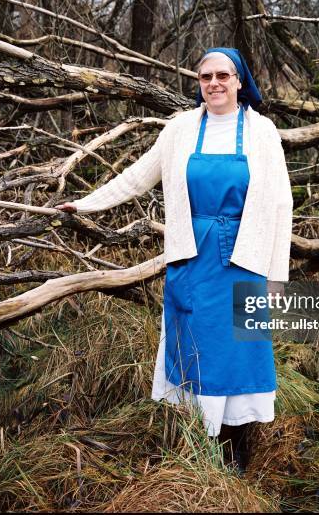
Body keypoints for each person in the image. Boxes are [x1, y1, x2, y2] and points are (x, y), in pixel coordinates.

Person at [55, 47, 293, 475]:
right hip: (193, 257)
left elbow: (281, 206)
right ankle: (197, 445)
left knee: (238, 352)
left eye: (223, 75)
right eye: (206, 77)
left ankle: (234, 451)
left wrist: (277, 278)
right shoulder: (181, 128)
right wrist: (86, 204)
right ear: (198, 83)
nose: (214, 83)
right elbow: (137, 176)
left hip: (245, 256)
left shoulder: (263, 132)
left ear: (240, 81)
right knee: (195, 349)